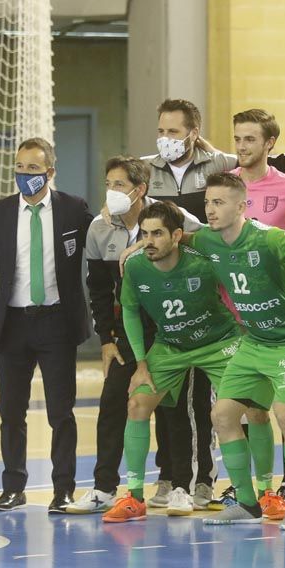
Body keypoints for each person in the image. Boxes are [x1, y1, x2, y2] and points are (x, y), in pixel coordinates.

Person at [101, 201, 272, 524]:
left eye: (157, 234)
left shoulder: (205, 262)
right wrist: (141, 363)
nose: (149, 241)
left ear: (177, 235)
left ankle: (265, 494)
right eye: (144, 234)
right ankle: (135, 497)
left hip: (220, 342)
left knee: (255, 412)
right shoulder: (136, 267)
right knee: (137, 404)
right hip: (171, 346)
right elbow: (131, 313)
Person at [185, 173, 285, 529]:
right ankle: (247, 503)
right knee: (223, 415)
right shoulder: (208, 240)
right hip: (254, 339)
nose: (211, 210)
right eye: (207, 203)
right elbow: (178, 238)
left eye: (219, 203)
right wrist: (136, 245)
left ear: (241, 205)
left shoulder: (269, 239)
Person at [68, 157, 204, 515]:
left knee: (174, 409)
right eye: (108, 184)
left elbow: (207, 245)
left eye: (119, 184)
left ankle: (179, 486)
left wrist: (145, 247)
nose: (112, 191)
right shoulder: (98, 228)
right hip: (129, 330)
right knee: (114, 402)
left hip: (174, 326)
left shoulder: (174, 217)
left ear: (140, 189)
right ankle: (103, 488)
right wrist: (107, 339)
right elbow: (97, 288)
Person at [0, 138, 93, 513]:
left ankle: (64, 489)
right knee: (11, 412)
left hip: (57, 322)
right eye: (20, 168)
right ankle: (12, 487)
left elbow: (100, 246)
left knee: (61, 412)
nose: (24, 175)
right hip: (13, 323)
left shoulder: (73, 209)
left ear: (50, 172)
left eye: (33, 169)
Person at [142, 97, 219, 509]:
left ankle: (201, 477)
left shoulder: (219, 164)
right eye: (161, 130)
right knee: (164, 394)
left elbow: (276, 156)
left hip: (203, 295)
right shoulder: (144, 169)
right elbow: (122, 198)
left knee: (199, 396)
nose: (166, 139)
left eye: (174, 131)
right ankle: (168, 473)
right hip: (160, 294)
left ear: (193, 132)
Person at [231, 108, 285, 228]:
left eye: (249, 140)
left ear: (269, 142)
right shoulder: (223, 183)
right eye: (237, 139)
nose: (241, 147)